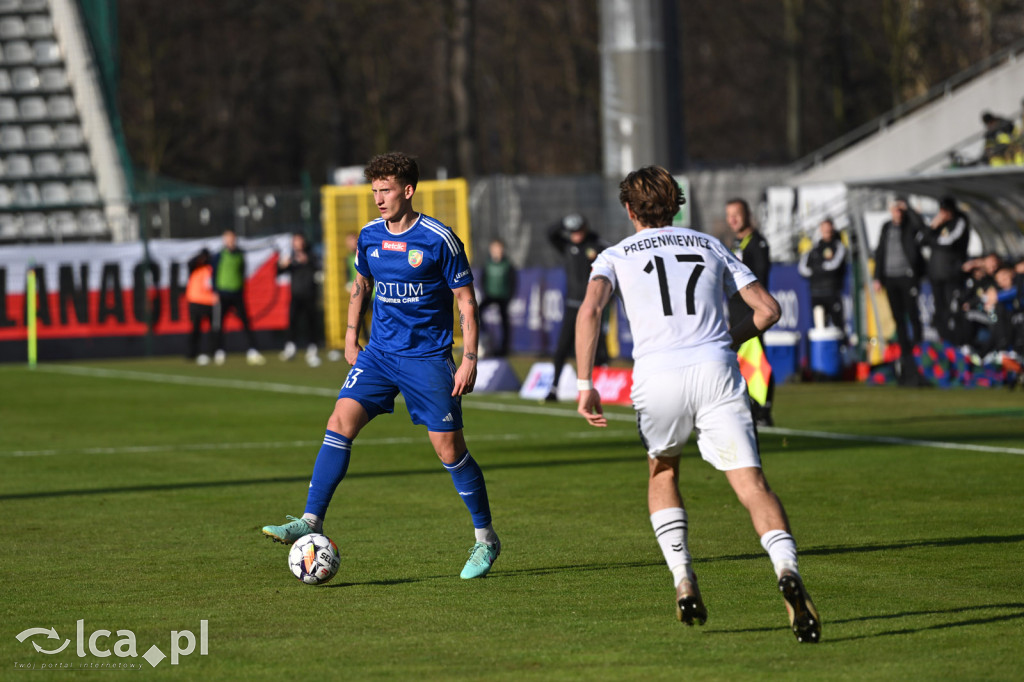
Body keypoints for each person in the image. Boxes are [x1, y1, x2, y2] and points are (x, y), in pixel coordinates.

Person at [574, 165, 820, 643]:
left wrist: (585, 383)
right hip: (716, 369)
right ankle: (786, 570)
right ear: (677, 204)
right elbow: (768, 310)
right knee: (752, 485)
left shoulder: (615, 254)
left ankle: (683, 577)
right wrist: (725, 338)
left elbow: (590, 310)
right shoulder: (710, 243)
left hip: (657, 374)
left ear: (629, 210)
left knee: (663, 470)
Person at [262, 152, 501, 580]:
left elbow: (466, 300)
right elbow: (362, 285)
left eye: (386, 190)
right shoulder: (370, 236)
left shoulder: (438, 239)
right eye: (374, 191)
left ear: (408, 191)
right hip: (379, 354)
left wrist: (469, 359)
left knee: (449, 449)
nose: (378, 199)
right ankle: (311, 520)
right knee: (339, 422)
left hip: (427, 358)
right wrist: (351, 335)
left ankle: (485, 540)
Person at [545, 213, 607, 402]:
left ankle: (600, 388)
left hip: (592, 305)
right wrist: (563, 221)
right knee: (562, 347)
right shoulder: (567, 246)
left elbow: (607, 253)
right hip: (573, 305)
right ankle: (554, 388)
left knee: (597, 348)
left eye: (578, 231)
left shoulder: (596, 245)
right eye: (571, 231)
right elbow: (550, 234)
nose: (575, 235)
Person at [725, 198, 775, 425]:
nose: (732, 219)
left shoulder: (757, 243)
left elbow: (760, 280)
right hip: (735, 314)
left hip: (752, 313)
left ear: (747, 214)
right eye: (729, 215)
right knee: (741, 361)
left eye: (737, 214)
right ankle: (749, 408)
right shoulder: (734, 244)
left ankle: (763, 410)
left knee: (756, 360)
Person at [873, 199, 927, 386]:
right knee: (898, 319)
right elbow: (880, 252)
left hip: (907, 276)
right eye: (895, 209)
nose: (897, 212)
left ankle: (919, 351)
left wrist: (910, 209)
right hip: (890, 278)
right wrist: (877, 277)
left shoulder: (910, 225)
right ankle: (905, 355)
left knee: (913, 315)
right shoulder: (886, 227)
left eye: (900, 209)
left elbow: (923, 229)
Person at [920, 196, 970, 343]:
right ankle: (942, 340)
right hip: (936, 273)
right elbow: (922, 240)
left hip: (952, 273)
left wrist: (933, 241)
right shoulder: (938, 224)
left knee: (952, 307)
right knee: (939, 308)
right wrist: (933, 226)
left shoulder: (960, 220)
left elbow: (949, 242)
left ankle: (956, 340)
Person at [212, 228, 265, 366]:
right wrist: (215, 291)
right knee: (219, 325)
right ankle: (219, 351)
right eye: (227, 238)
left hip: (237, 293)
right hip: (222, 294)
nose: (230, 241)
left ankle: (253, 350)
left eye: (232, 238)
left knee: (246, 322)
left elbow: (242, 271)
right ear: (224, 240)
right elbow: (214, 274)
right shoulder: (219, 255)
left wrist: (241, 288)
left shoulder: (240, 254)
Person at [277, 232, 322, 367]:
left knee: (311, 323)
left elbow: (318, 267)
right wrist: (282, 265)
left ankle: (312, 349)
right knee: (292, 322)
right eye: (295, 241)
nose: (297, 243)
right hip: (296, 295)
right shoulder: (290, 256)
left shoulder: (311, 254)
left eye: (299, 240)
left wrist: (306, 260)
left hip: (310, 294)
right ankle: (290, 348)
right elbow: (280, 272)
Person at [797, 218, 847, 331]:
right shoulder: (814, 248)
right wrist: (819, 269)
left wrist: (816, 269)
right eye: (824, 229)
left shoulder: (838, 246)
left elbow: (833, 266)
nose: (827, 232)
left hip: (832, 292)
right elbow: (802, 269)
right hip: (816, 293)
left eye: (829, 229)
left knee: (838, 325)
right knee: (819, 326)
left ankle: (841, 347)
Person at [479, 239, 517, 356]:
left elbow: (513, 281)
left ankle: (504, 348)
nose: (497, 251)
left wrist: (509, 296)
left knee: (505, 322)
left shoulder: (507, 264)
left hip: (503, 297)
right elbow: (483, 280)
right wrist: (485, 292)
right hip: (490, 295)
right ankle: (484, 338)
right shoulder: (487, 264)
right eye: (495, 249)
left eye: (499, 249)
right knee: (477, 312)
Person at [185, 247, 216, 365]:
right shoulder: (195, 267)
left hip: (210, 302)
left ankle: (212, 352)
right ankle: (191, 353)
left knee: (213, 330)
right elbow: (190, 263)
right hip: (195, 301)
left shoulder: (212, 268)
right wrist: (200, 257)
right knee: (195, 329)